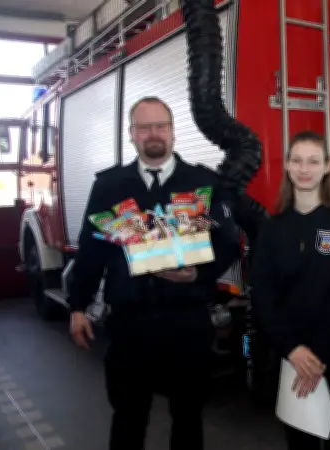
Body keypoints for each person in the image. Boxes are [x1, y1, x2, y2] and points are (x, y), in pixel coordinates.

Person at [67, 96, 240, 450]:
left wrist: (198, 275)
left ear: (173, 132)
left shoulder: (203, 184)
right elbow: (91, 251)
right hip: (130, 326)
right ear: (132, 135)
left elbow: (228, 243)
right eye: (144, 127)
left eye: (160, 125)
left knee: (188, 419)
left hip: (187, 323)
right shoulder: (109, 186)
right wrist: (77, 306)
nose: (153, 134)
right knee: (128, 420)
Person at [249, 130, 330, 450]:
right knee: (299, 442)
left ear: (327, 166)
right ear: (287, 166)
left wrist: (318, 356)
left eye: (313, 161)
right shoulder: (273, 228)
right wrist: (294, 350)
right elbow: (263, 295)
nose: (305, 169)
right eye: (297, 161)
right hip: (290, 357)